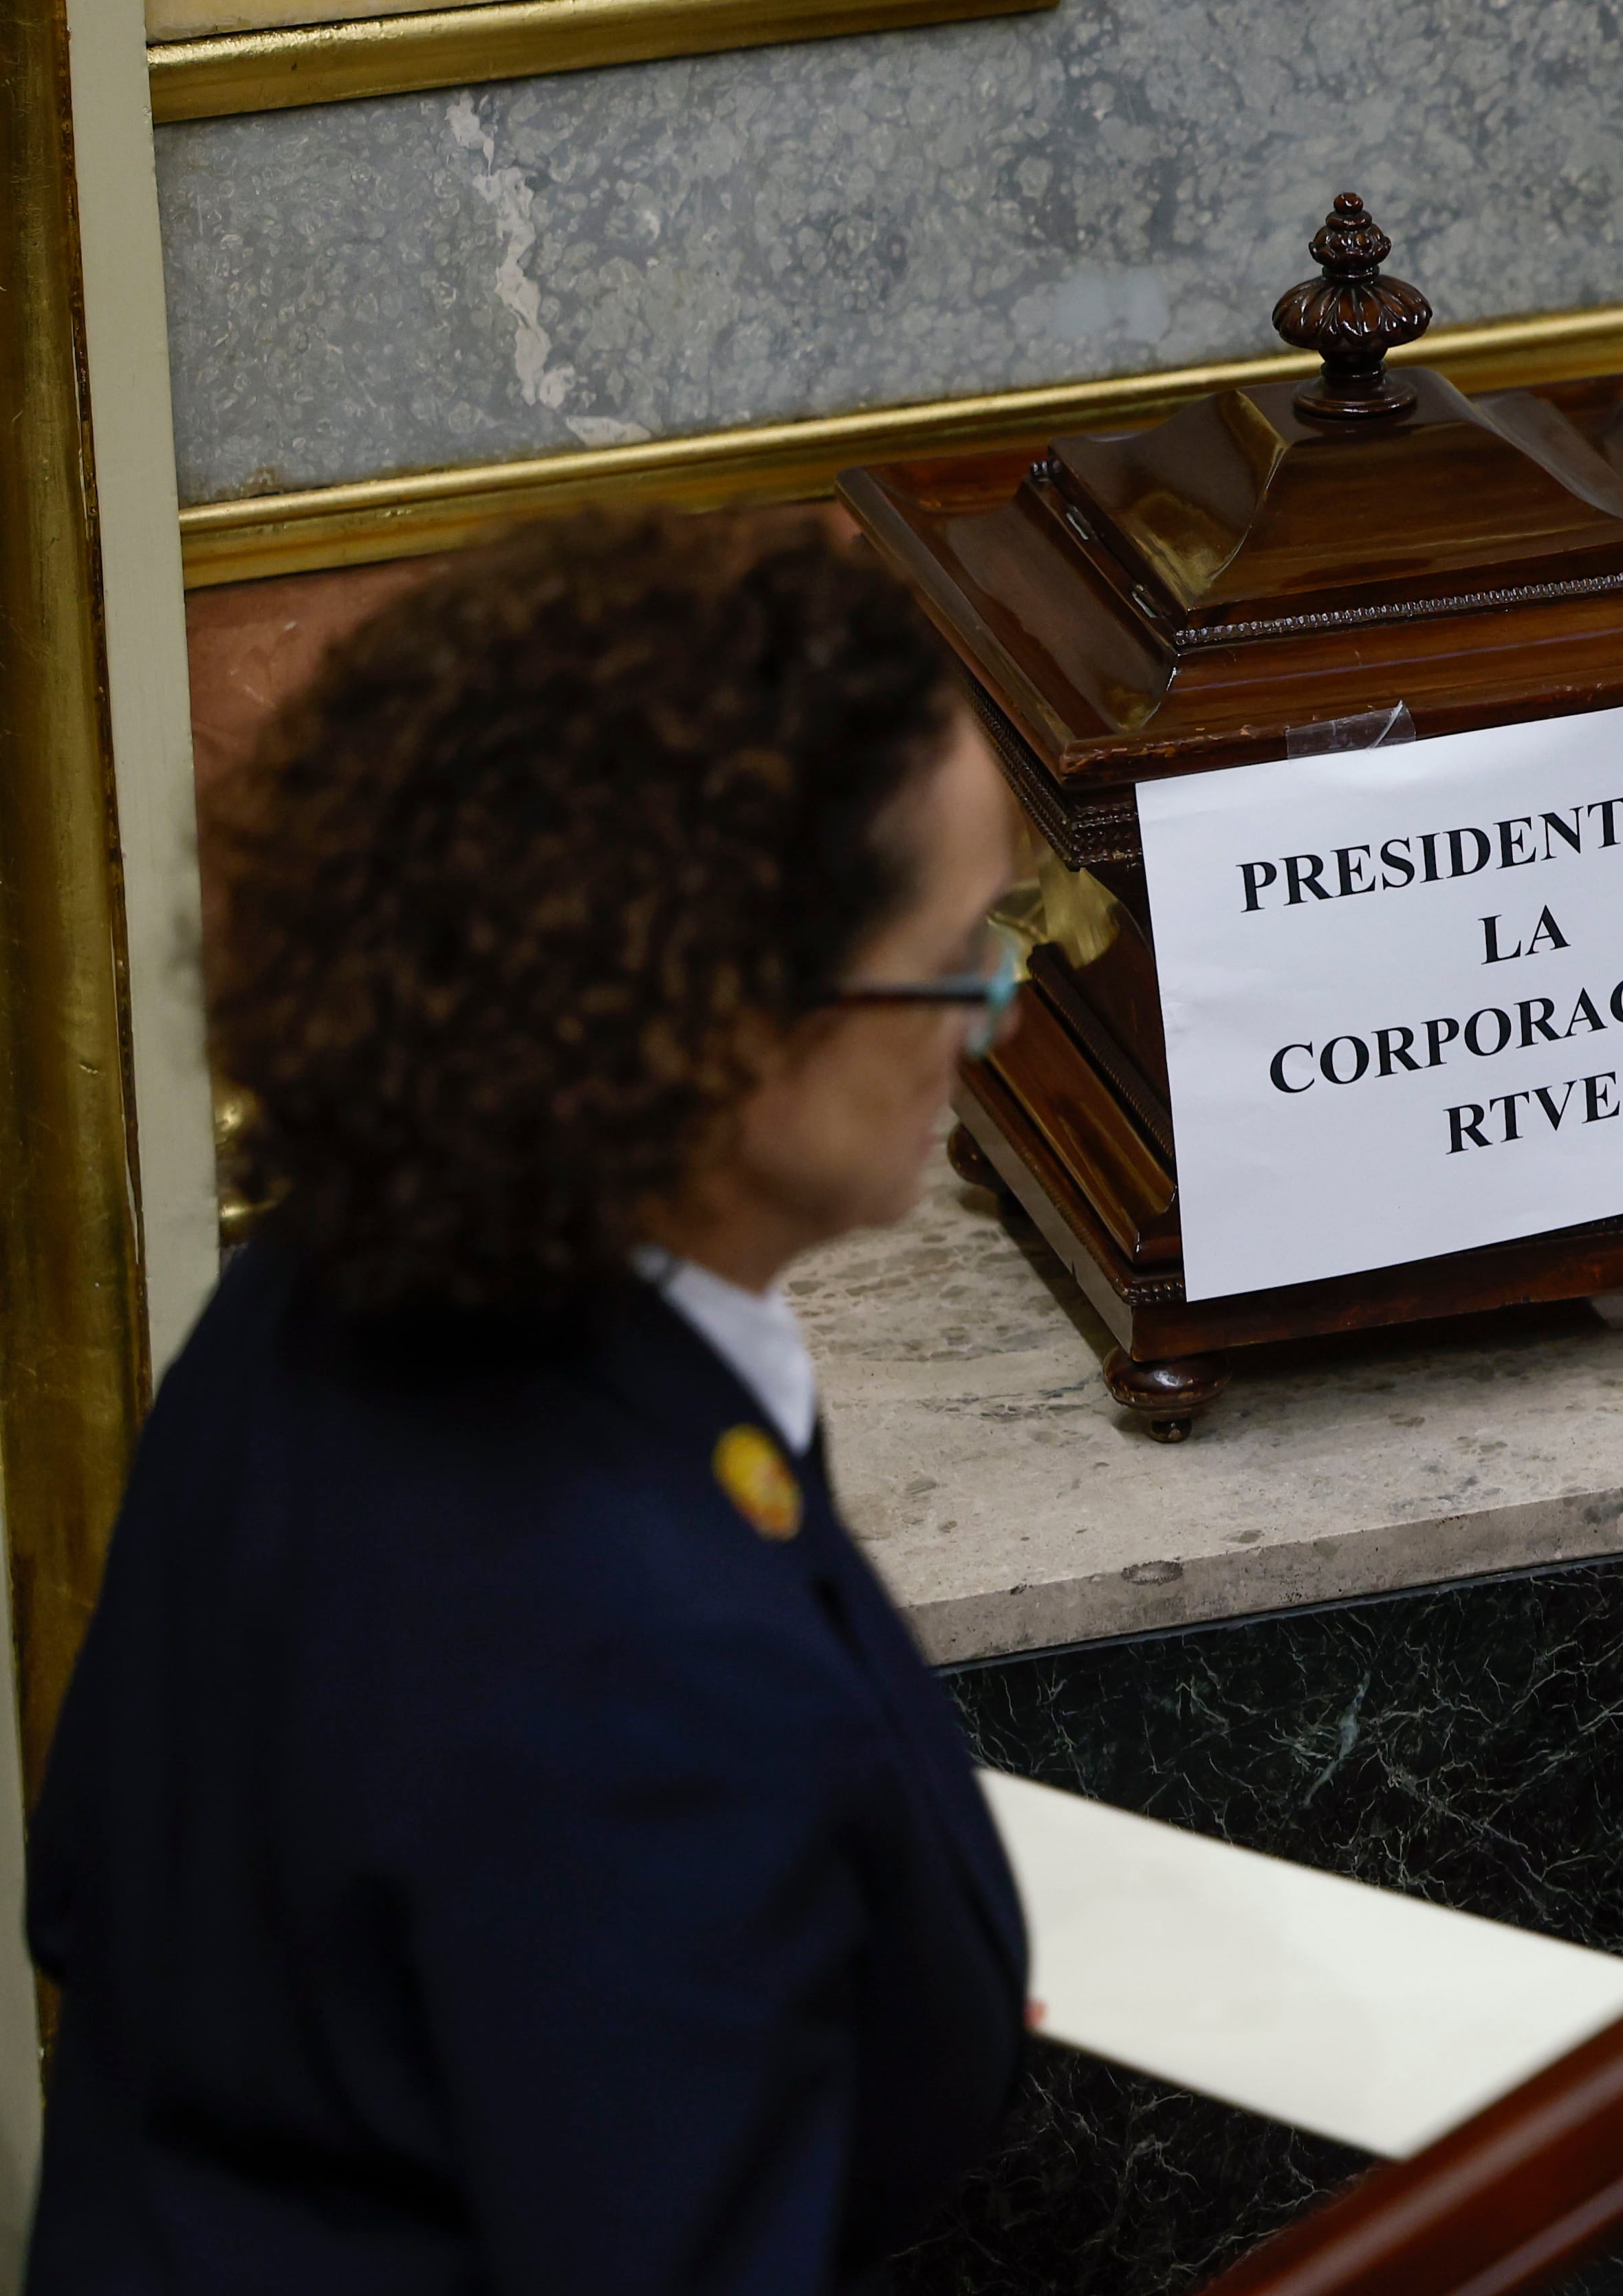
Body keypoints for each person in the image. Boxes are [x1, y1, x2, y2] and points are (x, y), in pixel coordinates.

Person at [24, 510, 1032, 2293]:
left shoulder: (326, 1275)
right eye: (962, 957)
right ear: (725, 1026)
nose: (990, 1014)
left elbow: (100, 1885)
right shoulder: (642, 1661)